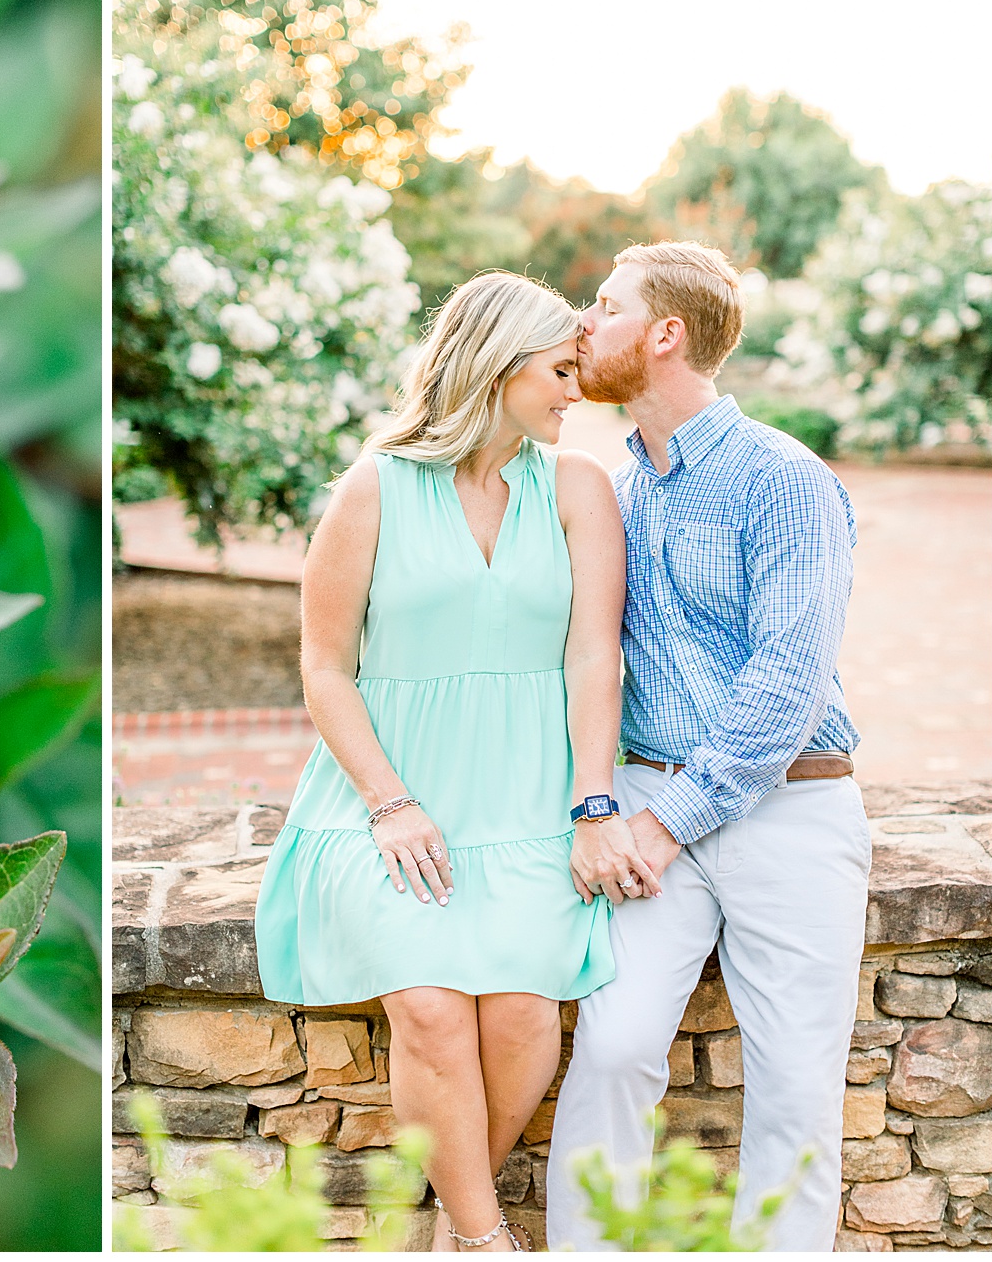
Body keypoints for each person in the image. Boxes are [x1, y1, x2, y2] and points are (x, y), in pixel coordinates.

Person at [255, 270, 654, 1252]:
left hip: (531, 795)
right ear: (497, 363)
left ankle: (448, 1210)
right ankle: (484, 1241)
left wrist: (593, 801)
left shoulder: (577, 487)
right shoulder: (375, 485)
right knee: (430, 1007)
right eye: (561, 369)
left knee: (523, 1013)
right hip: (391, 795)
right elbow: (324, 665)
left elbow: (593, 653)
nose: (576, 390)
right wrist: (391, 802)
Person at [545, 242, 867, 1252]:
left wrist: (669, 822)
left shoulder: (785, 480)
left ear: (665, 333)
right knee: (614, 1050)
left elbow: (787, 680)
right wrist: (607, 807)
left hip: (790, 808)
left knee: (795, 1090)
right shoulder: (612, 493)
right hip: (645, 806)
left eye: (604, 306)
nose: (582, 325)